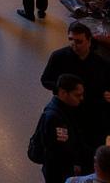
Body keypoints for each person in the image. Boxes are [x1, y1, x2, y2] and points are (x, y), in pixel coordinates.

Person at [41, 22, 110, 167]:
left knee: (90, 151)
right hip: (68, 111)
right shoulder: (59, 57)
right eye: (70, 39)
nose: (74, 44)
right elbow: (46, 80)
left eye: (79, 41)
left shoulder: (100, 63)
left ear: (89, 41)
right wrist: (62, 91)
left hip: (93, 113)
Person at [37, 74, 88, 183]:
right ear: (63, 93)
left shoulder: (66, 108)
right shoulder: (55, 118)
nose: (81, 98)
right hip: (58, 171)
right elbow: (59, 150)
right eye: (77, 95)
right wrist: (75, 163)